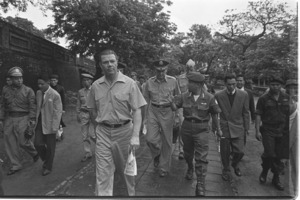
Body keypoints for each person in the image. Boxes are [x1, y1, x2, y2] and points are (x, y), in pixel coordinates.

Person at [86, 49, 146, 196]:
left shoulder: (130, 83)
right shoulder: (95, 86)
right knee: (103, 173)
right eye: (105, 62)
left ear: (117, 62)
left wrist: (136, 136)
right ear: (100, 65)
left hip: (124, 133)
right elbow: (92, 110)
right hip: (104, 134)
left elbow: (137, 110)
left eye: (112, 61)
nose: (109, 65)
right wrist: (98, 128)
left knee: (126, 171)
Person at [171, 72, 221, 196]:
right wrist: (170, 102)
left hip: (202, 129)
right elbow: (174, 107)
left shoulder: (209, 97)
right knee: (188, 154)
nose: (187, 84)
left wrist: (218, 129)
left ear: (198, 84)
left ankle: (200, 183)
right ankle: (190, 167)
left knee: (201, 158)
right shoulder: (184, 96)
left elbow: (215, 114)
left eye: (190, 82)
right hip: (187, 128)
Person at [143, 59, 180, 177]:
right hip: (153, 110)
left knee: (167, 141)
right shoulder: (149, 82)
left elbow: (178, 99)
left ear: (166, 69)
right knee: (150, 139)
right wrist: (144, 118)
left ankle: (163, 167)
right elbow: (145, 100)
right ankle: (157, 154)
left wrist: (177, 115)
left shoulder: (173, 81)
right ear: (155, 70)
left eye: (163, 70)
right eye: (158, 71)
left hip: (168, 111)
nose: (160, 73)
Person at [0, 67, 39, 175]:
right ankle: (16, 165)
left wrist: (32, 119)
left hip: (23, 117)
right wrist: (1, 118)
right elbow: (2, 104)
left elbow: (32, 106)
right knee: (10, 142)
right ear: (11, 79)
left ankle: (34, 153)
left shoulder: (28, 90)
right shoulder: (5, 89)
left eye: (21, 78)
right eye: (16, 78)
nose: (19, 80)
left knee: (23, 141)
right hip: (9, 118)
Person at [255, 75, 289, 191]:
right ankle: (264, 171)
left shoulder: (286, 97)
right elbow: (258, 114)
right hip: (268, 130)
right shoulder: (263, 98)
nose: (275, 87)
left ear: (281, 86)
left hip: (282, 130)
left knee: (279, 155)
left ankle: (276, 178)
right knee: (270, 153)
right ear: (269, 85)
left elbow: (290, 114)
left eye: (278, 85)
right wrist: (256, 130)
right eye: (273, 85)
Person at [215, 74, 250, 181]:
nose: (231, 86)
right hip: (224, 127)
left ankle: (235, 164)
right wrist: (216, 128)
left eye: (234, 84)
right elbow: (215, 113)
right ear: (225, 84)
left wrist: (246, 128)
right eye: (229, 84)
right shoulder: (219, 95)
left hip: (238, 126)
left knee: (240, 151)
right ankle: (226, 169)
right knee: (225, 152)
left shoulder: (243, 95)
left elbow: (245, 112)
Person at [34, 75, 62, 176]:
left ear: (48, 83)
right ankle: (47, 159)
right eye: (38, 84)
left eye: (42, 84)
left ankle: (48, 167)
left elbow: (57, 112)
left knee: (50, 147)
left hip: (50, 124)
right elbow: (37, 107)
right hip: (40, 123)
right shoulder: (38, 93)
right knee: (37, 144)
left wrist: (55, 128)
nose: (40, 86)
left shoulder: (55, 95)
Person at [176, 59, 196, 160]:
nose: (190, 69)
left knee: (194, 127)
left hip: (195, 106)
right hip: (182, 106)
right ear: (186, 67)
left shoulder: (198, 78)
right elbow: (177, 93)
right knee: (182, 126)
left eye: (191, 67)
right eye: (188, 67)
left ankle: (191, 148)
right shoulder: (180, 78)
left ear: (194, 67)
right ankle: (181, 149)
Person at [76, 73, 96, 162]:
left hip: (93, 114)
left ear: (91, 81)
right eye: (84, 80)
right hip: (84, 114)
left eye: (87, 80)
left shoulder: (95, 90)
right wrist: (78, 113)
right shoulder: (80, 92)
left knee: (93, 134)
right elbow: (78, 103)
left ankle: (102, 149)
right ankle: (88, 153)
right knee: (85, 136)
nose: (85, 82)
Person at [285, 78, 298, 196]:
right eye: (290, 87)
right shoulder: (283, 100)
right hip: (284, 133)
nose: (293, 90)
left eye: (295, 87)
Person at [236, 74, 255, 145]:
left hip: (243, 118)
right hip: (233, 117)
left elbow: (251, 105)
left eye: (241, 80)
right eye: (237, 80)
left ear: (244, 82)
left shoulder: (249, 92)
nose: (239, 82)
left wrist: (253, 118)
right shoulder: (232, 91)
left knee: (243, 135)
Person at [50, 74, 66, 140]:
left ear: (57, 81)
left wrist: (63, 109)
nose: (53, 82)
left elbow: (63, 99)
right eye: (52, 80)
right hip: (50, 107)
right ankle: (52, 134)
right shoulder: (48, 88)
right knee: (51, 120)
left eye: (54, 80)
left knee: (59, 121)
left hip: (59, 107)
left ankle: (60, 133)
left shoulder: (61, 88)